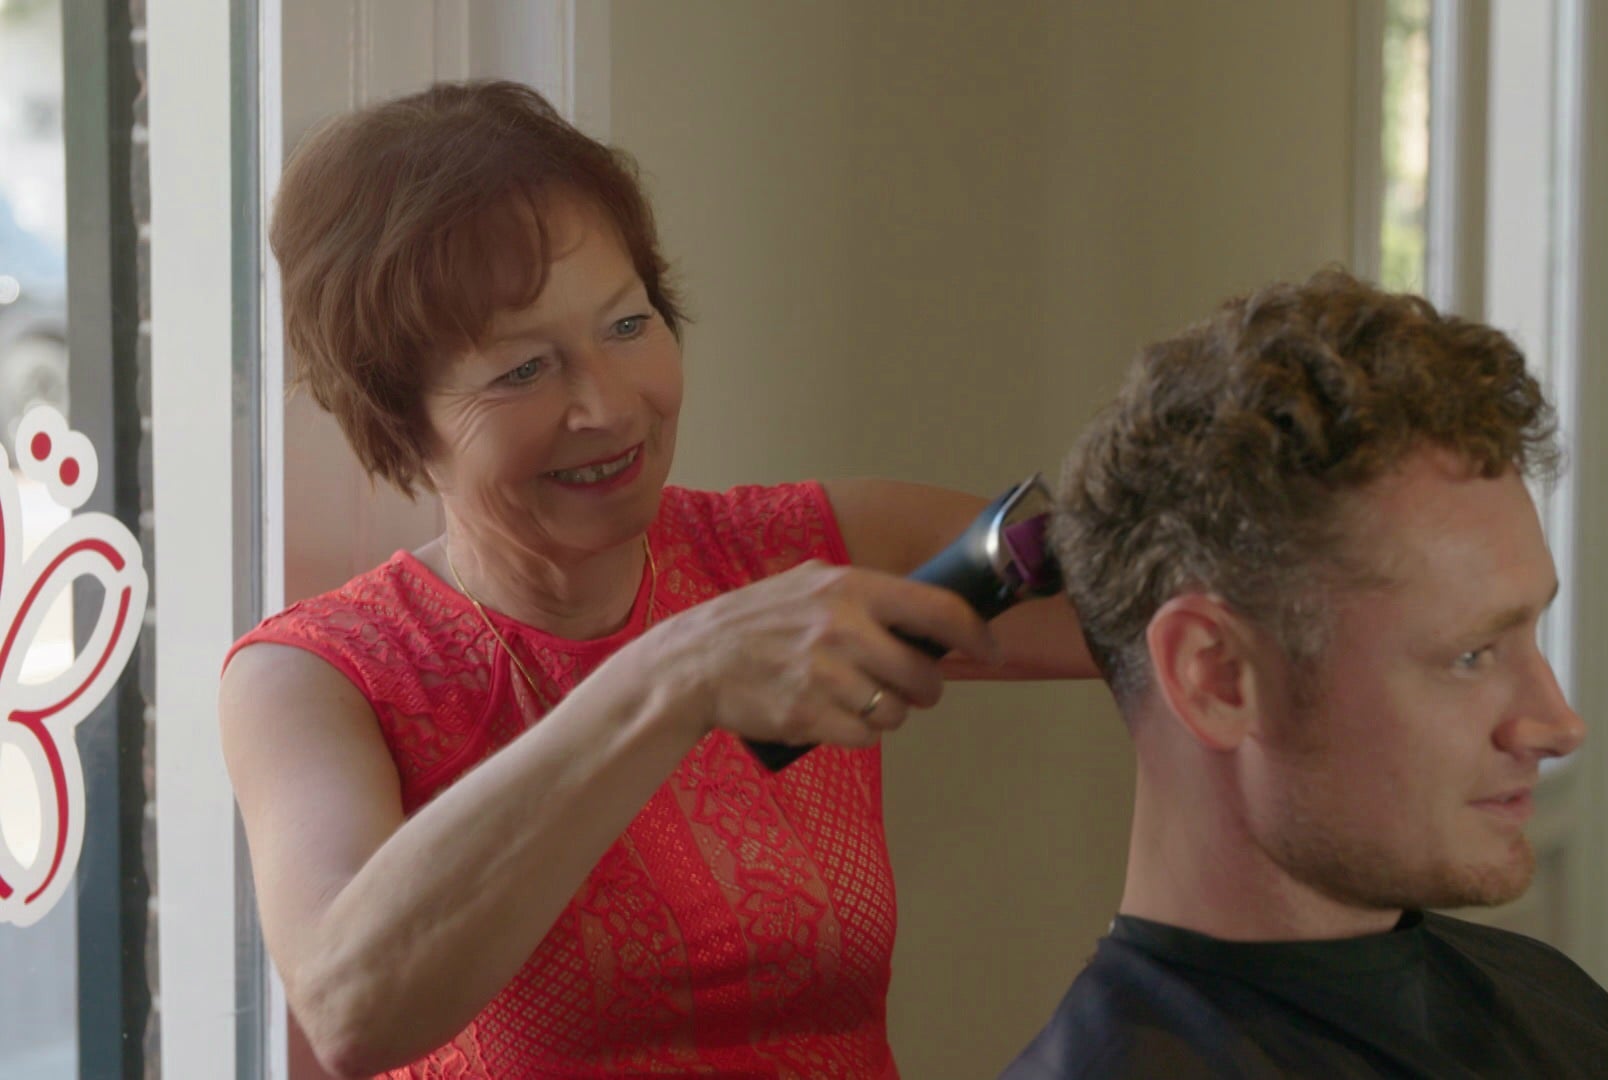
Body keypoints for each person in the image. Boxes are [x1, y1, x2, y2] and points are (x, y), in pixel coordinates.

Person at [219, 80, 1091, 1079]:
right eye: (522, 371)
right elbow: (350, 1005)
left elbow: (1184, 603)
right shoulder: (316, 678)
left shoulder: (800, 550)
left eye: (629, 325)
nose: (609, 405)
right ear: (397, 420)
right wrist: (670, 677)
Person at [1003, 271, 1608, 1078]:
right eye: (1470, 656)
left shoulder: (1540, 991)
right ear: (1216, 677)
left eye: (1532, 633)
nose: (1557, 723)